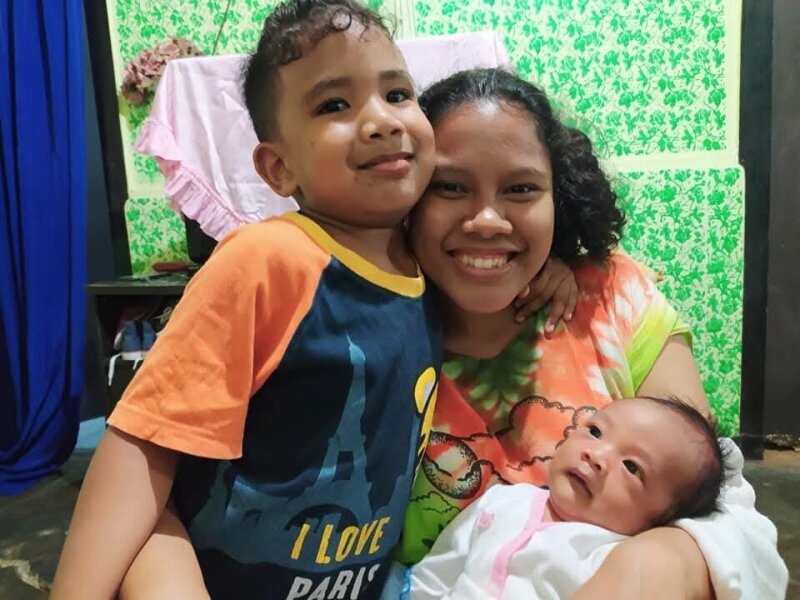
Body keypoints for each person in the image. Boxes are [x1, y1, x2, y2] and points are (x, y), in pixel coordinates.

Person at [51, 5, 573, 600]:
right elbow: (143, 443)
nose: (381, 121)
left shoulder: (425, 265)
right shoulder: (266, 260)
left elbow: (491, 258)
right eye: (334, 105)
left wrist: (559, 267)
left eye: (397, 94)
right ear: (279, 167)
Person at [397, 67, 787, 599]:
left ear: (557, 198)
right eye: (449, 187)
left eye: (521, 188)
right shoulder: (365, 333)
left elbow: (721, 503)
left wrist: (655, 565)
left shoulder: (614, 300)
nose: (487, 219)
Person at [408, 396, 726, 599]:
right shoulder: (501, 500)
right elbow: (439, 568)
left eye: (631, 467)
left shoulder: (610, 558)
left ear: (661, 519)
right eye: (596, 432)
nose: (596, 455)